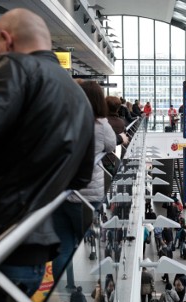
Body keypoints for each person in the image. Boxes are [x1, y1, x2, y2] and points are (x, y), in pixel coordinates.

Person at [52, 80, 116, 284]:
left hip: (62, 194)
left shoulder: (63, 121)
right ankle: (96, 285)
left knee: (64, 246)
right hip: (88, 196)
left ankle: (67, 286)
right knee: (94, 243)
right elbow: (112, 145)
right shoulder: (100, 125)